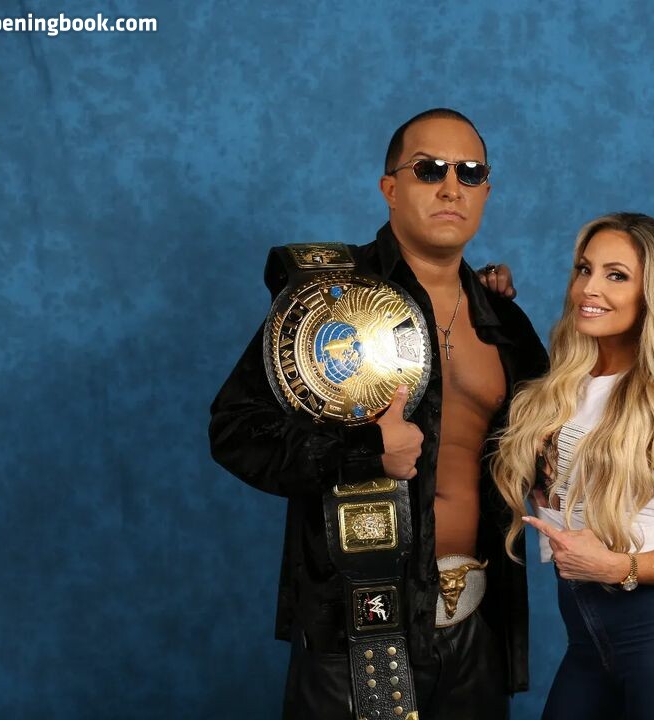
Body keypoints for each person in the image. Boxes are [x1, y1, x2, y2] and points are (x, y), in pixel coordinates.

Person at [209, 108, 548, 719]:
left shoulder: (506, 323)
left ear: (486, 191)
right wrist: (363, 450)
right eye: (430, 170)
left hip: (476, 620)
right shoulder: (327, 299)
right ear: (390, 188)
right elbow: (234, 430)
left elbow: (551, 445)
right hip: (357, 628)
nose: (452, 187)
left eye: (470, 173)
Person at [492, 212, 654, 719]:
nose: (590, 288)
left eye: (616, 275)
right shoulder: (561, 391)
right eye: (585, 269)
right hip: (587, 639)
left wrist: (617, 566)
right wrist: (487, 301)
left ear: (652, 295)